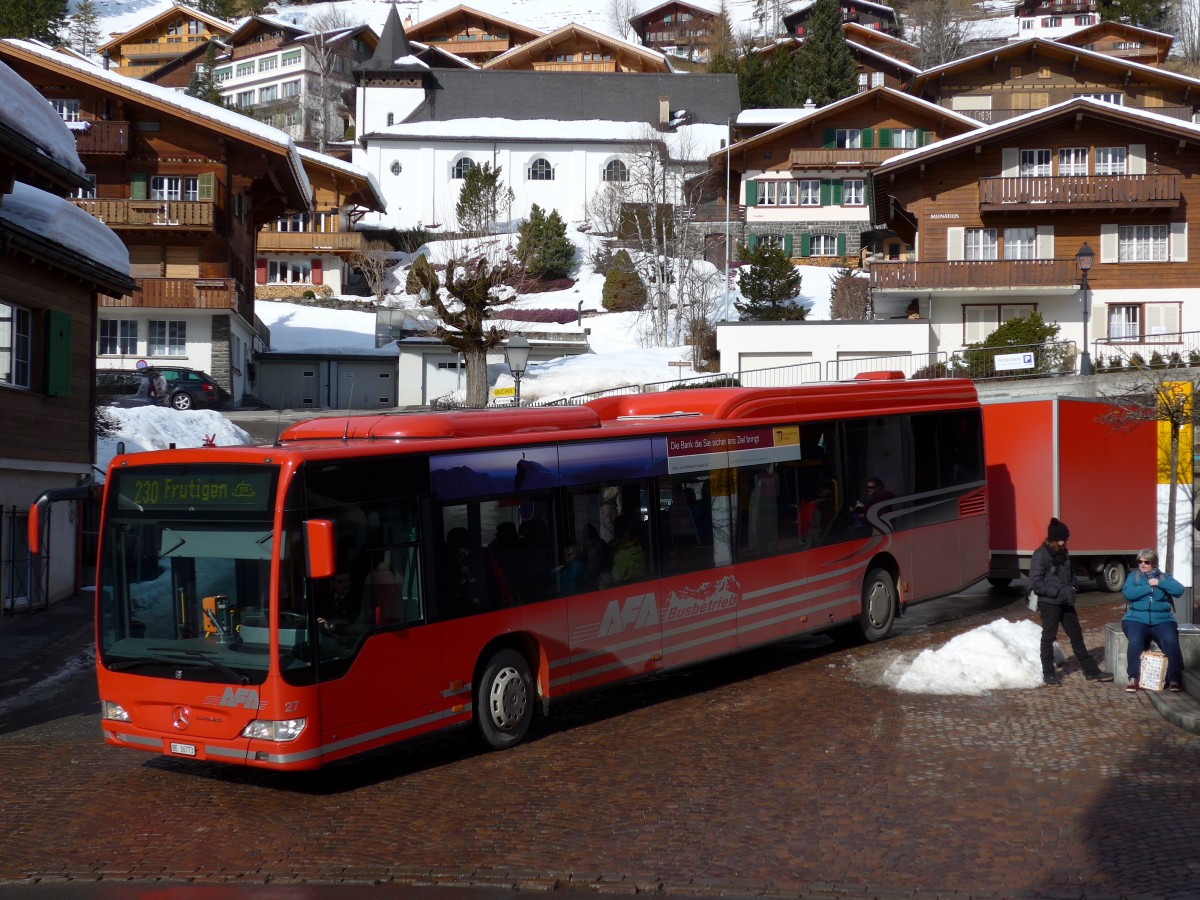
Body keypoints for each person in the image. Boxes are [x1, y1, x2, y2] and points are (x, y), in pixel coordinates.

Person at [1030, 518, 1112, 686]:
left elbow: (1070, 573)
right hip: (1050, 603)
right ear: (1055, 538)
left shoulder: (1064, 552)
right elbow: (1036, 583)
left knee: (1076, 636)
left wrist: (1074, 586)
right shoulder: (1040, 555)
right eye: (1065, 538)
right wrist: (1058, 592)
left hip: (1066, 601)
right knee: (1048, 637)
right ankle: (1049, 674)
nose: (1067, 540)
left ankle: (1091, 671)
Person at [1121, 548, 1185, 693]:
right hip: (1135, 618)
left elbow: (1179, 590)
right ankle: (1133, 678)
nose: (1142, 564)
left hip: (1162, 618)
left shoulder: (1164, 577)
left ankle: (1174, 679)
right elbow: (1128, 593)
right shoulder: (1134, 577)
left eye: (1146, 562)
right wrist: (1148, 587)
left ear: (1154, 564)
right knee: (1135, 641)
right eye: (1140, 561)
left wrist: (1159, 583)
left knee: (1170, 641)